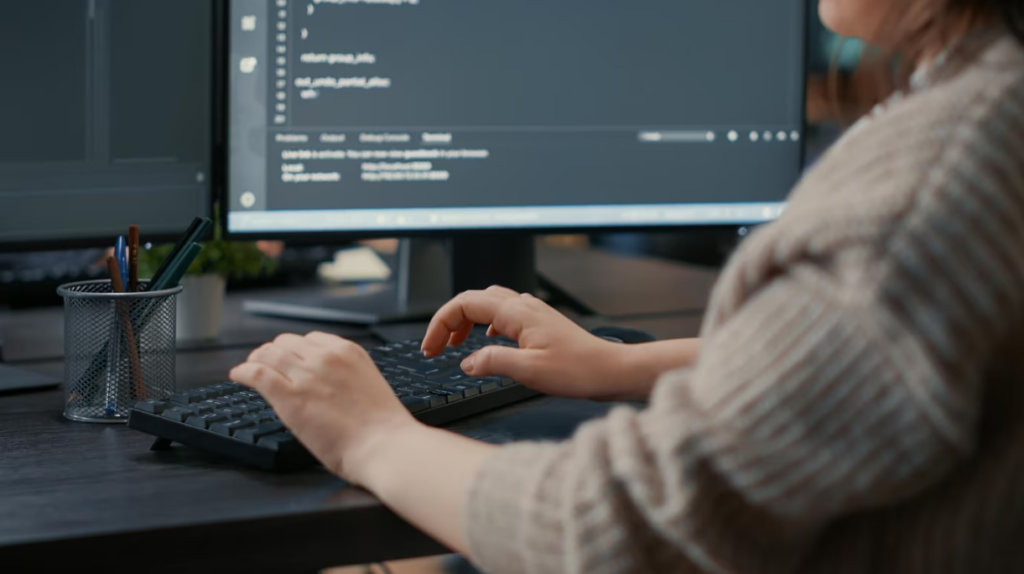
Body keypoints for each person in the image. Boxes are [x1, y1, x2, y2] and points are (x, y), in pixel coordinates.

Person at [230, 0, 1024, 571]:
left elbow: (619, 532)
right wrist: (622, 365)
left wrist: (372, 436)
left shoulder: (937, 178)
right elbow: (885, 363)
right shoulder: (985, 110)